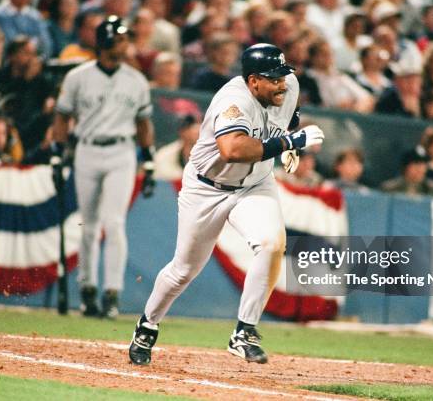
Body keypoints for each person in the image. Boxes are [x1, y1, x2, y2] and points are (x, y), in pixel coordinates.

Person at [128, 43, 324, 366]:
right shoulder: (232, 101)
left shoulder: (288, 87)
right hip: (207, 188)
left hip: (255, 184)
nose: (282, 84)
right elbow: (233, 149)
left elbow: (289, 115)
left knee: (272, 243)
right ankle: (147, 325)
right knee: (183, 270)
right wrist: (290, 142)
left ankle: (244, 331)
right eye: (273, 79)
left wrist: (291, 142)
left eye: (283, 75)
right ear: (253, 81)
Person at [52, 16, 156, 319]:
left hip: (122, 151)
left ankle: (112, 293)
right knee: (88, 225)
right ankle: (87, 291)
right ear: (105, 41)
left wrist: (148, 159)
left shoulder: (136, 79)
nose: (124, 44)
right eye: (120, 39)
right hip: (86, 148)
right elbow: (62, 116)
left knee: (114, 223)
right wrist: (58, 153)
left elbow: (143, 123)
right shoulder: (78, 76)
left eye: (125, 39)